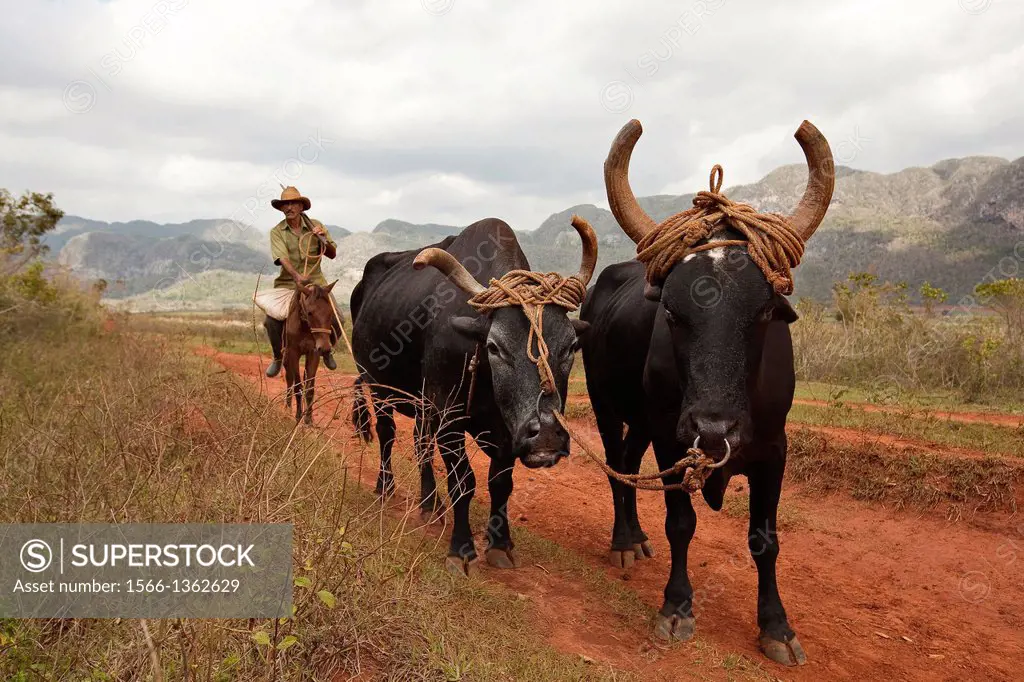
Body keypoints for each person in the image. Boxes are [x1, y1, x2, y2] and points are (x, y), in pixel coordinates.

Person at [261, 186, 343, 378]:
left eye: (293, 203)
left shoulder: (316, 225)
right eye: (285, 204)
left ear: (301, 206)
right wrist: (297, 277)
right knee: (271, 321)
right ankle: (277, 357)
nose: (289, 207)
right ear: (281, 208)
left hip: (316, 284)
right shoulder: (277, 231)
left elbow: (332, 253)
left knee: (338, 318)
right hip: (288, 284)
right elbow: (282, 258)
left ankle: (327, 350)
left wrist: (322, 238)